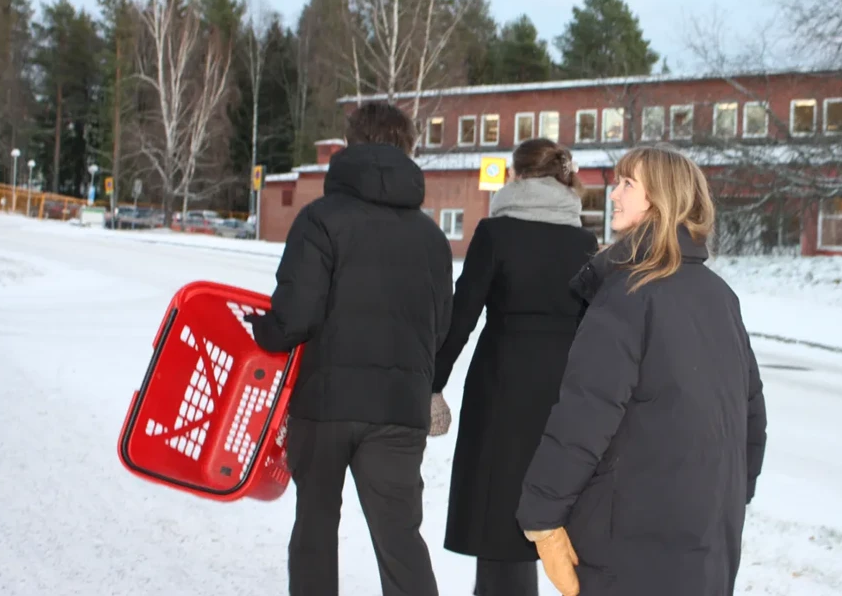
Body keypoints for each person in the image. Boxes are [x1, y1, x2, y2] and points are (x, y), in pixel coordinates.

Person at [515, 144, 768, 596]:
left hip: (630, 540)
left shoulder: (629, 294)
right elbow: (753, 421)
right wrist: (723, 501)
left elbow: (583, 418)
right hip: (707, 540)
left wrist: (542, 518)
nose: (614, 194)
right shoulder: (720, 297)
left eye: (628, 184)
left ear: (661, 198)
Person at [246, 101, 454, 596]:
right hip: (399, 412)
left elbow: (296, 315)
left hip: (325, 404)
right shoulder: (432, 238)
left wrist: (263, 332)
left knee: (315, 532)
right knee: (400, 542)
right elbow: (439, 327)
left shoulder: (321, 219)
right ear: (407, 150)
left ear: (350, 147)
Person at [431, 138, 599, 596]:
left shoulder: (496, 233)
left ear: (518, 177)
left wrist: (433, 383)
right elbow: (595, 325)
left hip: (501, 385)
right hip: (562, 390)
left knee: (499, 509)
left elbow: (461, 314)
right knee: (551, 507)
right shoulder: (584, 240)